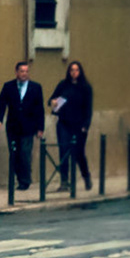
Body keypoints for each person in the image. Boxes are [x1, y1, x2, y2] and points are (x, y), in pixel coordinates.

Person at [0, 60, 46, 190]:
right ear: (16, 72)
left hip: (29, 127)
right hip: (13, 126)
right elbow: (1, 104)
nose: (24, 74)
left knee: (25, 153)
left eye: (26, 71)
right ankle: (18, 177)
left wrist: (40, 127)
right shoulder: (8, 87)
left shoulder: (36, 87)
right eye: (22, 71)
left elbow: (40, 108)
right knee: (14, 154)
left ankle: (25, 180)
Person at [51, 61, 94, 189]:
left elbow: (88, 108)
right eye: (71, 70)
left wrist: (85, 126)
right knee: (63, 151)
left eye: (76, 70)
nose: (73, 73)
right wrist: (53, 102)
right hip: (64, 123)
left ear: (80, 72)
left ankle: (86, 176)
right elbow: (52, 99)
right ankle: (64, 182)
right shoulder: (63, 85)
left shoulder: (85, 87)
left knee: (78, 153)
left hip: (79, 124)